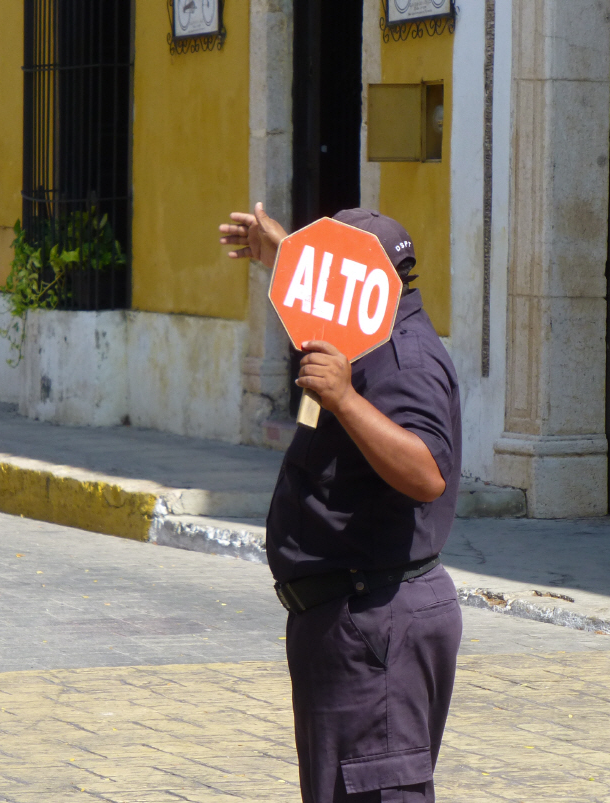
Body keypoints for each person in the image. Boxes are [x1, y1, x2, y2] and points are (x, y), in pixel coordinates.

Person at [219, 203, 463, 803]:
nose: (316, 278)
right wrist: (279, 253)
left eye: (327, 267)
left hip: (375, 626)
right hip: (348, 622)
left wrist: (346, 400)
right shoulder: (355, 336)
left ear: (366, 280)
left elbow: (428, 472)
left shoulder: (403, 356)